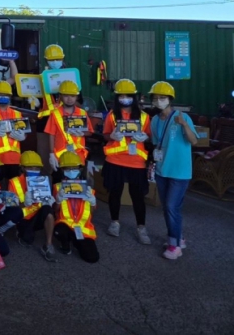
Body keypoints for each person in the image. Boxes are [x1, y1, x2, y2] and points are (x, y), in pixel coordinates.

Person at [149, 81, 197, 260]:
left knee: (171, 207)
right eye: (155, 98)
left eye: (162, 97)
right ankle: (178, 238)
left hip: (180, 172)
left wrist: (184, 125)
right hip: (162, 170)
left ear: (170, 99)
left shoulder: (182, 117)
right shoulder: (155, 120)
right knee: (169, 208)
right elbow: (156, 144)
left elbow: (194, 141)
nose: (159, 101)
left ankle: (174, 246)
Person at [102, 79, 152, 244]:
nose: (125, 98)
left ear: (134, 97)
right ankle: (114, 222)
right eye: (121, 96)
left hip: (136, 161)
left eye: (128, 95)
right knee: (114, 193)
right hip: (115, 160)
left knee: (137, 196)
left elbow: (149, 137)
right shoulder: (112, 115)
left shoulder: (144, 117)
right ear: (117, 97)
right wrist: (112, 136)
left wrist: (145, 137)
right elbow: (105, 134)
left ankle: (141, 227)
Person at [8, 151, 56, 261]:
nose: (34, 170)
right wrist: (24, 203)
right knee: (26, 240)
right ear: (22, 168)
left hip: (37, 214)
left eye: (37, 168)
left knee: (48, 210)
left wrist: (50, 201)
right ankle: (20, 231)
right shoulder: (14, 182)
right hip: (22, 218)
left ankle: (48, 244)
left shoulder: (43, 181)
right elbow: (11, 208)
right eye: (30, 167)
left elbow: (46, 202)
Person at [52, 151, 99, 263]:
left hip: (83, 226)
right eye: (68, 169)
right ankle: (65, 244)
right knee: (59, 231)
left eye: (74, 168)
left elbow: (92, 212)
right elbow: (54, 210)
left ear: (79, 169)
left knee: (92, 258)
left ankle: (77, 241)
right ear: (62, 170)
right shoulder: (57, 187)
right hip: (65, 224)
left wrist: (93, 202)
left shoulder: (88, 188)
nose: (71, 171)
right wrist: (58, 200)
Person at [44, 80, 93, 177]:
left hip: (78, 155)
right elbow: (51, 134)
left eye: (72, 96)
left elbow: (90, 132)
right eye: (66, 96)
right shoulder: (55, 114)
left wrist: (82, 133)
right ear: (61, 96)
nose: (69, 99)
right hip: (60, 156)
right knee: (59, 182)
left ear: (77, 97)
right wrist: (51, 154)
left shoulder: (82, 113)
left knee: (78, 183)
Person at [36, 44, 65, 117]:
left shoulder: (70, 76)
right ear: (46, 60)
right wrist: (37, 103)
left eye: (58, 59)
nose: (55, 62)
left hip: (65, 116)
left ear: (63, 59)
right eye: (51, 60)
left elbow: (79, 101)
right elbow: (40, 101)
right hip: (46, 118)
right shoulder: (41, 78)